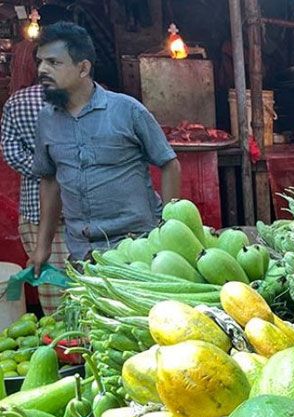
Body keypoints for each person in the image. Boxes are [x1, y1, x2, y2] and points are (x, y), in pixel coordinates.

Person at [28, 22, 180, 273]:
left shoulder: (127, 110)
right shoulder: (47, 119)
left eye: (53, 62)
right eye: (40, 62)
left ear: (83, 68)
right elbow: (50, 180)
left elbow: (169, 163)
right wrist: (42, 246)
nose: (42, 70)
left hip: (138, 249)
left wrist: (169, 228)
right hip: (83, 252)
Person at [1, 83, 69, 315]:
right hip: (83, 204)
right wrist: (65, 167)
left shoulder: (17, 101)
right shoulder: (84, 96)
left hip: (36, 206)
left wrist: (45, 168)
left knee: (51, 282)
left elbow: (11, 152)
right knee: (92, 277)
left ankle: (58, 331)